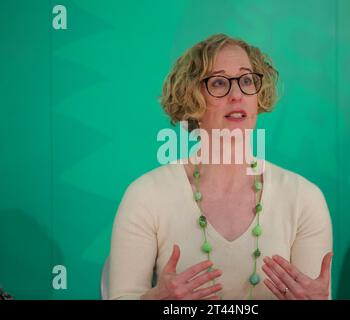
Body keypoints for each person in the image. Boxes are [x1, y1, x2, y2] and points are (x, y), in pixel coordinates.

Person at [108, 33, 333, 300]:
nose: (237, 94)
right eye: (218, 83)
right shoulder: (145, 196)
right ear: (191, 98)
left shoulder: (304, 198)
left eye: (247, 80)